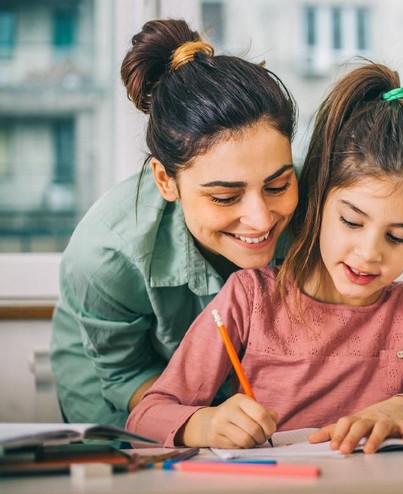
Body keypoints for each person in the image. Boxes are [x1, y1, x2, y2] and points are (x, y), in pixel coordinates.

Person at [127, 62, 403, 453]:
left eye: (398, 236)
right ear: (317, 202)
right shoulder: (250, 298)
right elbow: (147, 414)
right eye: (352, 222)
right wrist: (205, 423)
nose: (369, 254)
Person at [50, 19, 298, 427]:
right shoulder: (105, 255)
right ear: (166, 181)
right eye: (224, 196)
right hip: (121, 385)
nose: (260, 219)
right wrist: (201, 422)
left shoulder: (320, 207)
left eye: (277, 185)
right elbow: (124, 374)